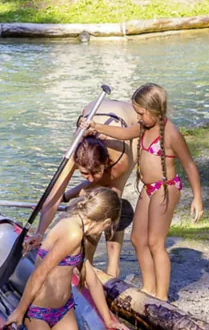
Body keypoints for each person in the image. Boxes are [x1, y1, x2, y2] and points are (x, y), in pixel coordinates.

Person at [86, 83, 204, 302]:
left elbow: (189, 165)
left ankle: (162, 296)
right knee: (138, 239)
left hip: (166, 188)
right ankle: (149, 287)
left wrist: (197, 197)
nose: (138, 118)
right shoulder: (142, 128)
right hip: (149, 189)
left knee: (155, 243)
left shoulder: (171, 134)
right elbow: (121, 133)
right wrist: (96, 127)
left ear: (154, 110)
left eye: (140, 113)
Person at [2, 188, 136, 330]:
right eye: (107, 229)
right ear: (107, 222)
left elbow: (92, 281)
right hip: (39, 312)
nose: (104, 232)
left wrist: (109, 321)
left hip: (64, 310)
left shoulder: (78, 227)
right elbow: (40, 273)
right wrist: (19, 312)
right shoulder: (73, 233)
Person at [25, 99, 138, 277]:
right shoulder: (74, 153)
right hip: (94, 111)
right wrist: (39, 232)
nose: (90, 179)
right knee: (93, 202)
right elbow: (53, 197)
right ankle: (86, 265)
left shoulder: (119, 160)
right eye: (84, 174)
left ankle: (113, 269)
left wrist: (74, 195)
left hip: (127, 117)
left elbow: (111, 198)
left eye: (96, 173)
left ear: (105, 162)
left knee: (112, 203)